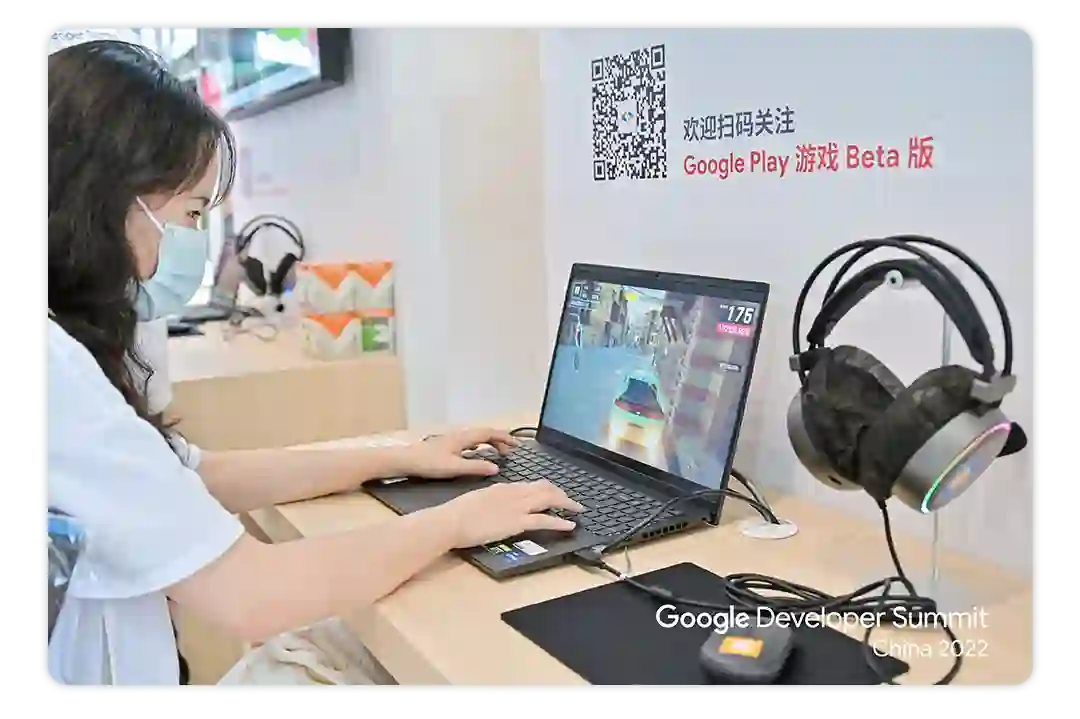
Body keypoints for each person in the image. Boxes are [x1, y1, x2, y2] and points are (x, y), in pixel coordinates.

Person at [47, 40, 583, 686]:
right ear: (106, 198)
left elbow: (194, 473)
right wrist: (457, 521)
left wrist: (399, 456)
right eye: (189, 213)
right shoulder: (50, 372)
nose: (191, 238)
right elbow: (252, 594)